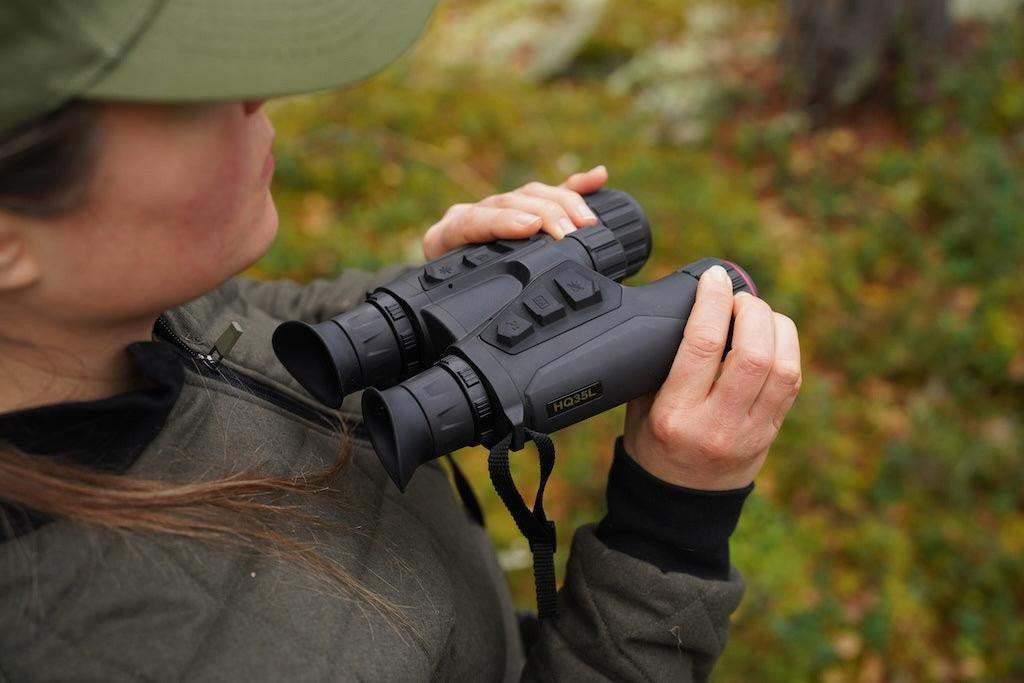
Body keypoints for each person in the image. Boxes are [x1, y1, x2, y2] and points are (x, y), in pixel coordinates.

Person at [0, 2, 801, 681]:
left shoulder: (115, 312)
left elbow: (259, 335)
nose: (258, 95)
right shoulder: (126, 650)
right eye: (185, 94)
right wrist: (667, 528)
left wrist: (431, 300)